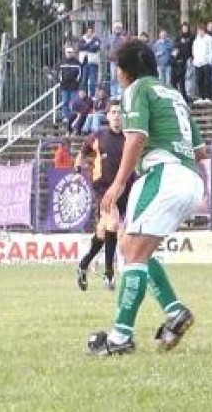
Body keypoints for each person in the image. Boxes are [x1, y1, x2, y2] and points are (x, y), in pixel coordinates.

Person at [86, 39, 205, 356]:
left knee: (132, 256)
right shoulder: (174, 95)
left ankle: (120, 338)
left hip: (162, 174)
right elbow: (200, 150)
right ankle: (174, 311)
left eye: (117, 69)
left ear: (126, 71)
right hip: (190, 177)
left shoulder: (137, 90)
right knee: (131, 245)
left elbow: (137, 137)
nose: (117, 76)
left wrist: (119, 183)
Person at [73, 102, 133, 292]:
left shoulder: (130, 138)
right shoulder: (99, 136)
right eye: (113, 112)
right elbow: (83, 153)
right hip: (104, 189)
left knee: (103, 233)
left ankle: (83, 265)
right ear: (107, 116)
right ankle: (109, 274)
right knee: (113, 224)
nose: (116, 116)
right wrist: (77, 169)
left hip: (124, 188)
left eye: (119, 113)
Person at [192, 24, 212, 104]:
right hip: (198, 63)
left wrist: (210, 61)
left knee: (207, 80)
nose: (200, 32)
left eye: (201, 30)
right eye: (198, 31)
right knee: (199, 80)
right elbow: (194, 51)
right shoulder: (196, 40)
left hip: (207, 63)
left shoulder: (209, 39)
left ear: (204, 31)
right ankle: (201, 96)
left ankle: (208, 97)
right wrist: (195, 61)